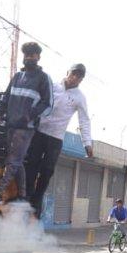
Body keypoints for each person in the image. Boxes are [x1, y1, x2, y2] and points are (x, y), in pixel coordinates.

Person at [0, 42, 53, 205]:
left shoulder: (43, 78)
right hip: (11, 125)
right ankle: (22, 195)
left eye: (32, 54)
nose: (29, 57)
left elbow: (47, 104)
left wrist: (30, 116)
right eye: (26, 54)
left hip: (26, 128)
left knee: (13, 161)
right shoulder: (17, 77)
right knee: (18, 160)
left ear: (38, 57)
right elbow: (6, 98)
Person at [25, 63, 93, 215]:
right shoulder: (52, 86)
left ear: (81, 80)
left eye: (79, 76)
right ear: (68, 72)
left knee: (47, 170)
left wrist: (87, 143)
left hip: (56, 138)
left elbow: (84, 120)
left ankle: (37, 200)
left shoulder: (80, 98)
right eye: (73, 74)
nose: (75, 78)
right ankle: (27, 196)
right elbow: (36, 102)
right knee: (31, 165)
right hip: (39, 132)